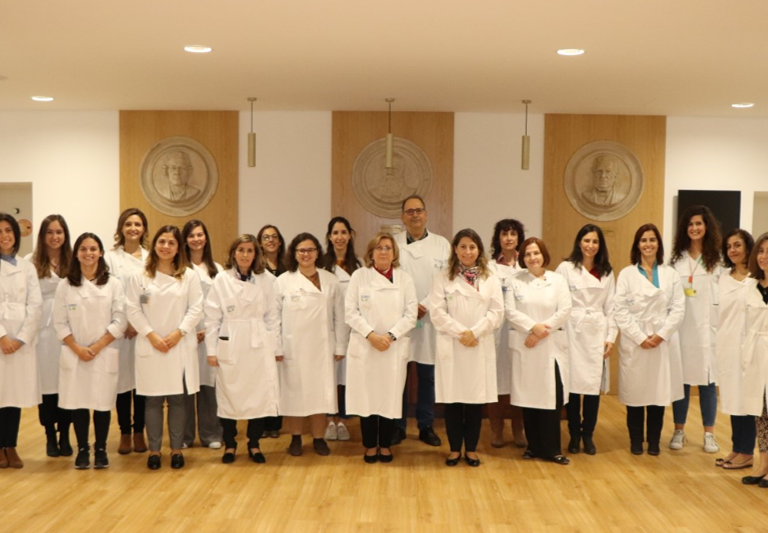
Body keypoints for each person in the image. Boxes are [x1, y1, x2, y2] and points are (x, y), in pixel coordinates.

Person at [125, 225, 203, 470]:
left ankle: (176, 450)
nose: (166, 247)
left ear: (179, 247)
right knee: (153, 401)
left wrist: (179, 333)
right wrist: (151, 335)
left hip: (179, 345)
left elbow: (196, 308)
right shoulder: (139, 277)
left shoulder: (189, 276)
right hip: (151, 345)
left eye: (171, 243)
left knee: (178, 400)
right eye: (162, 241)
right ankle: (155, 451)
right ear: (154, 244)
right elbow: (132, 309)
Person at [430, 229, 503, 467]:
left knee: (474, 401)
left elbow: (497, 312)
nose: (467, 251)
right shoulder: (443, 277)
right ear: (455, 249)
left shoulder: (490, 278)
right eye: (463, 246)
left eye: (472, 247)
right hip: (453, 344)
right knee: (453, 401)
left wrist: (475, 332)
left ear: (479, 250)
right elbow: (437, 313)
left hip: (478, 344)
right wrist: (462, 333)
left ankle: (471, 450)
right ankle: (454, 450)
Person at [53, 233, 127, 469]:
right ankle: (83, 449)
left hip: (103, 351)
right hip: (75, 353)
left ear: (101, 253)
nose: (88, 253)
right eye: (83, 249)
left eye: (93, 249)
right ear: (76, 254)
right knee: (79, 403)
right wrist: (77, 348)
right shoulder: (65, 285)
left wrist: (96, 347)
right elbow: (59, 322)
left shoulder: (113, 284)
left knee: (102, 403)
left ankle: (101, 449)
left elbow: (120, 320)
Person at [205, 235, 279, 464]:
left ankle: (254, 443)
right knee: (229, 395)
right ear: (233, 253)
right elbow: (211, 318)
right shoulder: (222, 280)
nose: (245, 255)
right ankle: (230, 443)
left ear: (256, 254)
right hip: (231, 342)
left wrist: (275, 348)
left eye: (250, 250)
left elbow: (273, 317)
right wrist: (211, 350)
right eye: (241, 250)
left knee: (258, 396)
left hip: (258, 343)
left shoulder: (267, 280)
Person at [345, 233, 418, 463]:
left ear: (394, 253)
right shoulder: (360, 276)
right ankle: (369, 445)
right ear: (371, 253)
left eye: (387, 247)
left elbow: (411, 314)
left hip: (392, 347)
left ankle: (385, 444)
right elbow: (350, 311)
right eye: (378, 248)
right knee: (366, 396)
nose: (383, 252)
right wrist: (371, 335)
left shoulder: (404, 278)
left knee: (389, 396)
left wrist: (391, 336)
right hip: (365, 345)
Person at [614, 223, 685, 455]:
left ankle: (654, 441)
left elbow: (678, 309)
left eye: (652, 239)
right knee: (635, 393)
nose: (648, 244)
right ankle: (636, 440)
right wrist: (639, 337)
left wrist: (661, 335)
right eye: (643, 240)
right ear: (637, 245)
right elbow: (620, 310)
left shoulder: (670, 274)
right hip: (635, 341)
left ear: (658, 244)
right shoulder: (626, 274)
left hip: (661, 340)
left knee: (657, 394)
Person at [276, 233, 348, 457]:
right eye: (301, 250)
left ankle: (318, 438)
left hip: (322, 348)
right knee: (294, 394)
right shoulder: (283, 281)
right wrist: (277, 347)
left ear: (318, 252)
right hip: (293, 349)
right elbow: (274, 319)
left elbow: (340, 317)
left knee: (321, 395)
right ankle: (296, 438)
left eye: (310, 250)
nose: (306, 254)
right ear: (294, 254)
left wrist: (341, 346)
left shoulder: (331, 280)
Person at [506, 237, 572, 465]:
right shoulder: (515, 281)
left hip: (549, 346)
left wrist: (540, 331)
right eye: (527, 254)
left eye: (536, 253)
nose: (532, 258)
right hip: (526, 346)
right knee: (529, 398)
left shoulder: (558, 280)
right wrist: (532, 328)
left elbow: (565, 310)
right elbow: (510, 311)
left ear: (543, 255)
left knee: (552, 398)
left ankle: (553, 449)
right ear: (522, 258)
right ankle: (533, 446)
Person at [392, 195, 451, 447]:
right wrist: (409, 307)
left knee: (427, 375)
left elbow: (446, 280)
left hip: (429, 317)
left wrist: (424, 304)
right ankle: (397, 425)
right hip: (399, 318)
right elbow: (388, 279)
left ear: (426, 214)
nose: (414, 215)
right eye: (409, 211)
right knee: (399, 373)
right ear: (402, 217)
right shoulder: (393, 244)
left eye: (419, 210)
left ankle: (426, 425)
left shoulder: (442, 245)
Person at [556, 224, 616, 455]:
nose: (590, 245)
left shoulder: (607, 271)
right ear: (579, 242)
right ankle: (574, 435)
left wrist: (611, 337)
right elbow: (557, 300)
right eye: (587, 240)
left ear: (600, 245)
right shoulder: (566, 268)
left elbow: (612, 308)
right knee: (572, 386)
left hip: (596, 332)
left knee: (592, 387)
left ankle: (588, 435)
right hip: (572, 330)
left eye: (595, 241)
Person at [670, 206, 723, 453]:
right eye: (690, 224)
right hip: (682, 329)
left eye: (699, 223)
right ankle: (678, 430)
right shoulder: (676, 261)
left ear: (707, 227)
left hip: (707, 330)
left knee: (708, 382)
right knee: (681, 381)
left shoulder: (718, 261)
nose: (694, 228)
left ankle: (709, 434)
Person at [104, 208, 149, 455]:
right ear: (121, 228)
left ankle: (139, 431)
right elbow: (112, 293)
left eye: (138, 224)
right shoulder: (110, 258)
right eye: (129, 224)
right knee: (123, 383)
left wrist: (138, 322)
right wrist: (126, 323)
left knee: (141, 382)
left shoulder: (150, 258)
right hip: (120, 328)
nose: (133, 228)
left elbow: (149, 293)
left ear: (144, 229)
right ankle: (124, 432)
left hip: (144, 328)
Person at [28, 214, 73, 458]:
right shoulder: (31, 262)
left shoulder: (74, 260)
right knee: (47, 386)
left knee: (67, 384)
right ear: (42, 235)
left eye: (59, 232)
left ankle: (65, 434)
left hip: (70, 329)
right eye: (50, 232)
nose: (55, 237)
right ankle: (49, 436)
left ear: (65, 235)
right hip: (43, 332)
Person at [0, 213, 43, 469]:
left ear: (16, 235)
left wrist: (22, 338)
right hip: (1, 338)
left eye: (8, 230)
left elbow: (36, 305)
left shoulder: (27, 267)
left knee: (14, 394)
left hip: (20, 339)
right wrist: (2, 336)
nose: (4, 235)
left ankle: (11, 446)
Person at [181, 220, 223, 450]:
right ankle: (184, 436)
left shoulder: (217, 269)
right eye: (191, 235)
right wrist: (190, 330)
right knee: (186, 387)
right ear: (185, 240)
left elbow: (223, 305)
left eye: (200, 234)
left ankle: (211, 433)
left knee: (209, 386)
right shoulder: (179, 269)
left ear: (206, 238)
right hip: (185, 335)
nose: (196, 239)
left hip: (210, 335)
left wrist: (208, 331)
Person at [716, 229, 755, 470]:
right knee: (733, 398)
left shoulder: (757, 278)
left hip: (751, 347)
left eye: (737, 245)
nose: (733, 250)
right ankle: (736, 448)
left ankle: (747, 452)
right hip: (728, 345)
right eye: (729, 246)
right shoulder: (723, 278)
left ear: (748, 247)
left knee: (748, 400)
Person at [486, 218, 527, 449]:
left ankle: (519, 430)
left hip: (521, 330)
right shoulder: (489, 267)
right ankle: (497, 430)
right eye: (504, 234)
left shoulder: (527, 265)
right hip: (497, 331)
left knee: (518, 381)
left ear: (519, 238)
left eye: (513, 234)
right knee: (496, 381)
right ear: (498, 238)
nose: (509, 238)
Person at [321, 216, 361, 442]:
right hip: (327, 328)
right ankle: (329, 420)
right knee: (329, 376)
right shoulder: (322, 265)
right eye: (335, 233)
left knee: (347, 377)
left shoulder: (359, 265)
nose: (339, 237)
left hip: (352, 329)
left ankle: (344, 421)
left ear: (350, 235)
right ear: (329, 237)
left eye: (343, 232)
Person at [741, 233, 768, 487]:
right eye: (760, 251)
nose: (764, 256)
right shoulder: (750, 285)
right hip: (756, 351)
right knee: (761, 413)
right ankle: (763, 465)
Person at [257, 224, 286, 438]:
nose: (271, 240)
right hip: (262, 326)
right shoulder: (256, 269)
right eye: (266, 237)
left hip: (285, 326)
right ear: (260, 243)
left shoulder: (288, 266)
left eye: (274, 237)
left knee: (279, 378)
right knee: (262, 378)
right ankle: (261, 424)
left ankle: (275, 424)